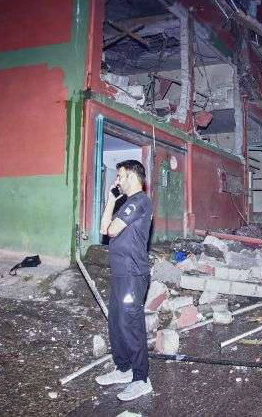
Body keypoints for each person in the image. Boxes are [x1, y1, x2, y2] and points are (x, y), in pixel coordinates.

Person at [94, 159, 154, 402]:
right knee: (116, 323)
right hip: (121, 273)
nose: (116, 180)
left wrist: (114, 206)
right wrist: (111, 199)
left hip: (133, 274)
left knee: (131, 324)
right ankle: (124, 369)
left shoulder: (140, 201)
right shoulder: (126, 204)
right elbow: (103, 228)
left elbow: (112, 230)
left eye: (119, 175)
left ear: (131, 176)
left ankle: (141, 379)